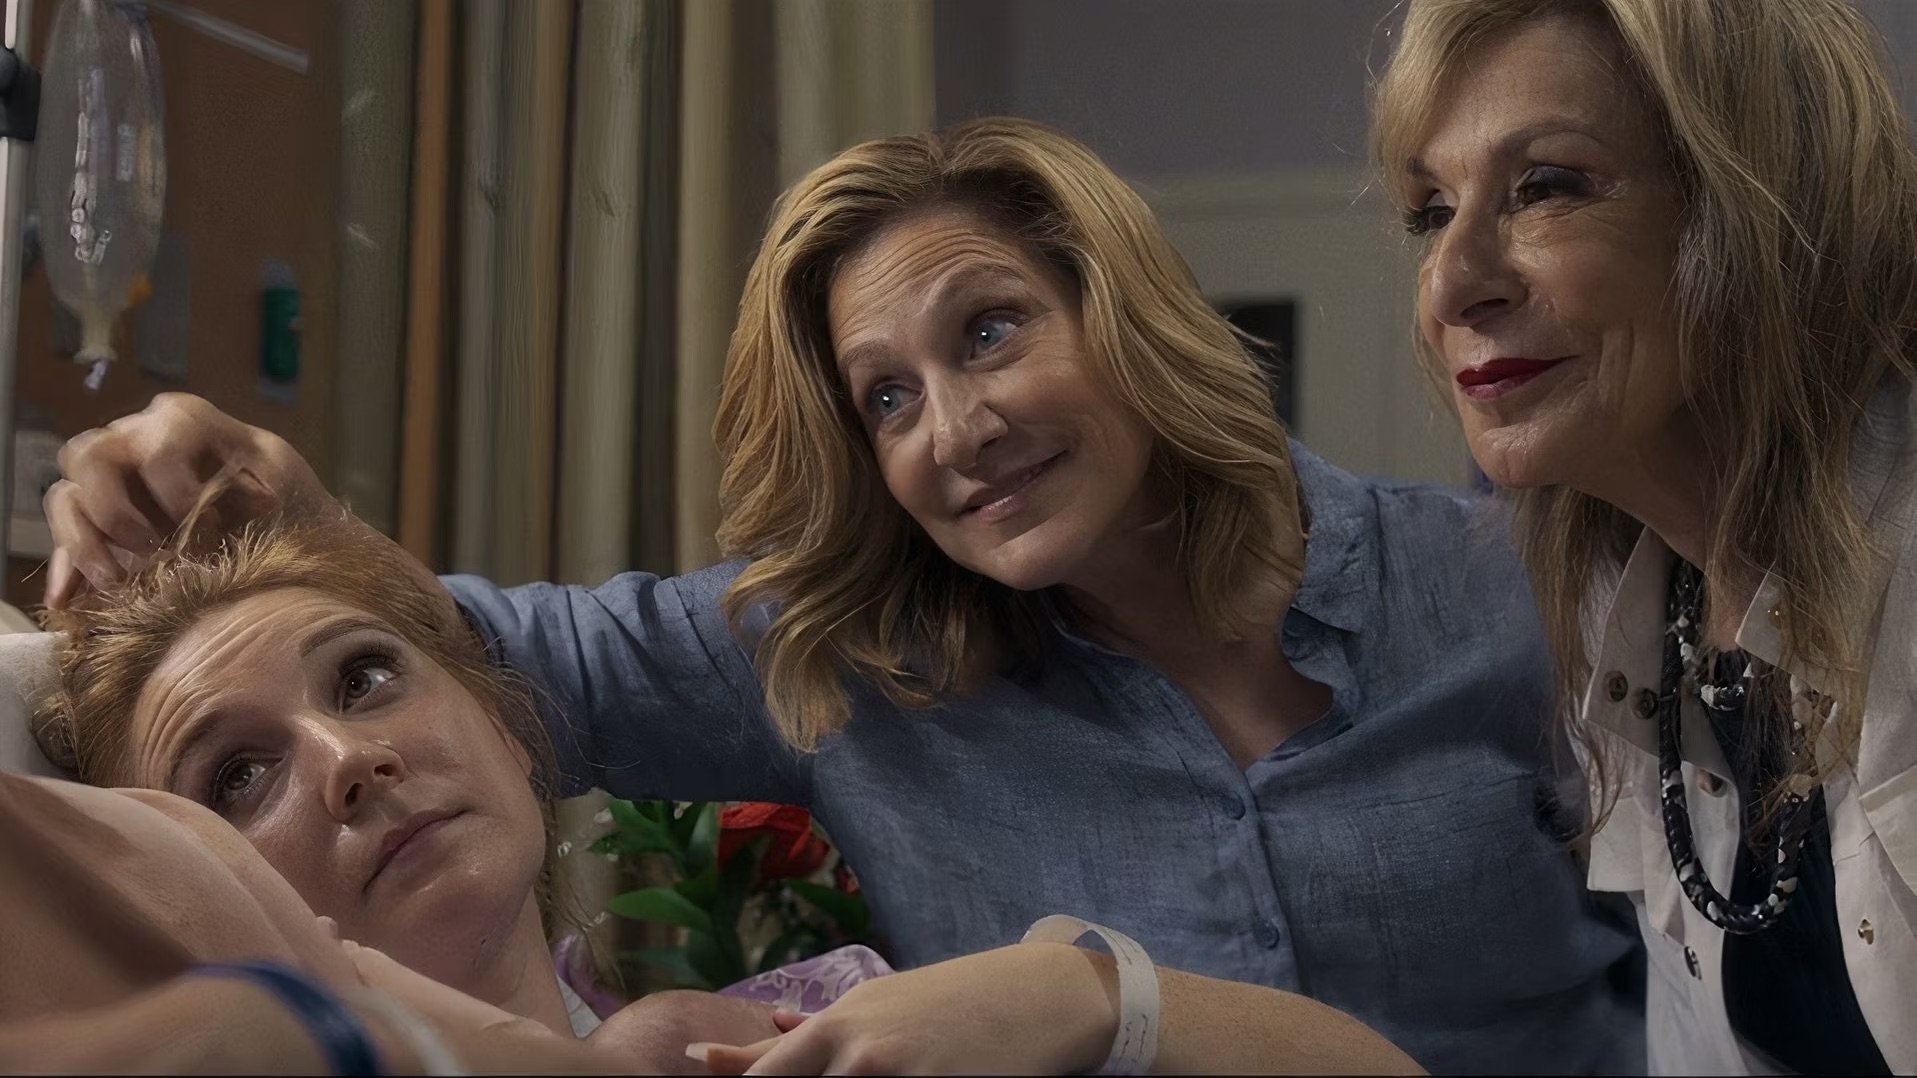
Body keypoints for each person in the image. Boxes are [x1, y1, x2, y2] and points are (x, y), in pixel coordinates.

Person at [44, 117, 1638, 1073]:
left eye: (991, 330)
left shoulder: (1510, 588)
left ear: (1125, 307)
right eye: (886, 397)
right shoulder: (855, 664)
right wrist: (273, 495)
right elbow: (448, 676)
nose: (958, 428)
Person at [1373, 0, 1917, 1071]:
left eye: (1545, 187)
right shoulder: (1629, 603)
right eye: (1431, 211)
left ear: (1765, 204)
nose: (1449, 283)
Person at [37, 498, 787, 1070]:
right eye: (240, 776)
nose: (349, 759)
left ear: (507, 731)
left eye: (364, 679)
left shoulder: (803, 1029)